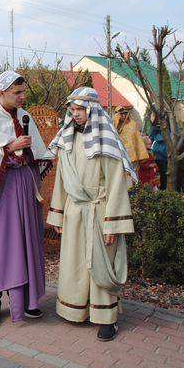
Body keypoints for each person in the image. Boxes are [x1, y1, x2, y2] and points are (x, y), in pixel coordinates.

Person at [47, 86, 136, 342]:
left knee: (100, 265)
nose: (76, 114)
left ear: (93, 110)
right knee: (75, 264)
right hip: (74, 213)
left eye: (81, 109)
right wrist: (58, 215)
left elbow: (117, 184)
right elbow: (62, 182)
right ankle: (75, 309)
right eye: (72, 109)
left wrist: (113, 225)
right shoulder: (66, 140)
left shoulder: (106, 142)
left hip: (100, 213)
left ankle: (107, 319)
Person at [0, 70, 53, 327]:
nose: (22, 97)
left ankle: (27, 301)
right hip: (1, 188)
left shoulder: (25, 116)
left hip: (25, 185)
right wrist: (9, 147)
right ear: (1, 93)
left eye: (23, 91)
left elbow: (37, 152)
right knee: (1, 245)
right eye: (17, 93)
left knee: (27, 241)